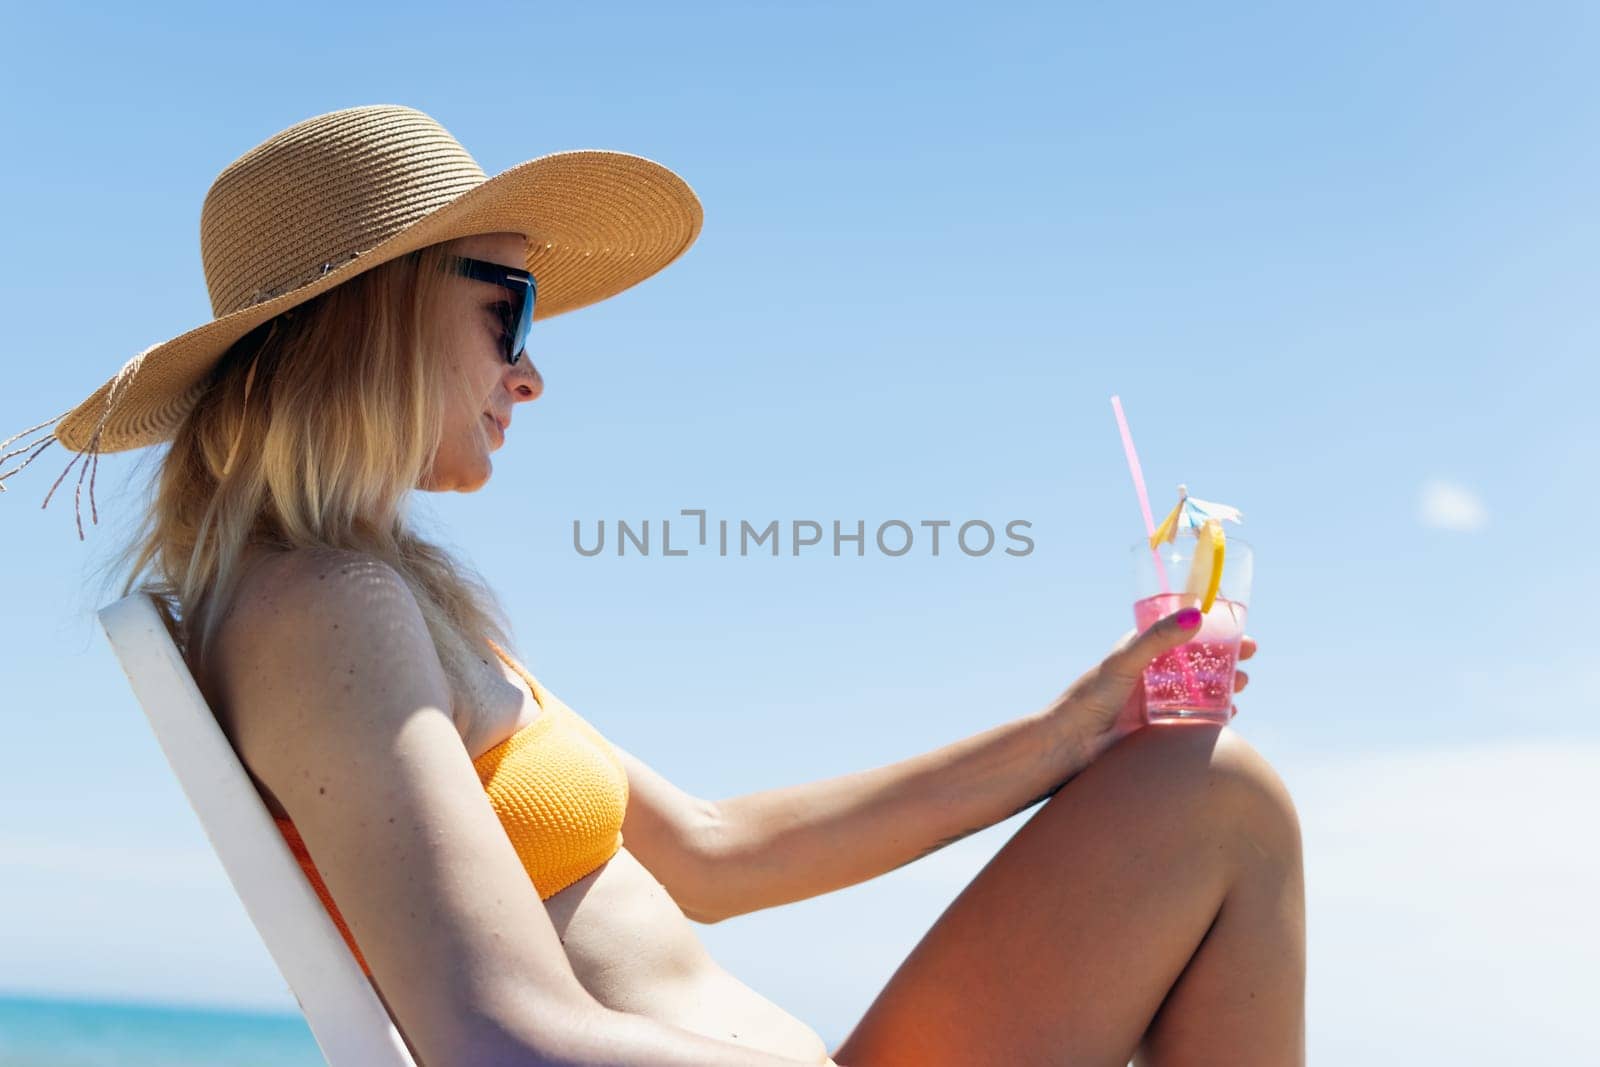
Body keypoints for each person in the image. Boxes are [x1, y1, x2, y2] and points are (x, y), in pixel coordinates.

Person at [1, 104, 1304, 1066]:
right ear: (375, 314)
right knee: (1220, 801)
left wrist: (1075, 729)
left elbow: (719, 854)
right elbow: (492, 1036)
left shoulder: (376, 598)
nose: (531, 373)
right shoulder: (326, 609)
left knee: (1197, 782)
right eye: (508, 310)